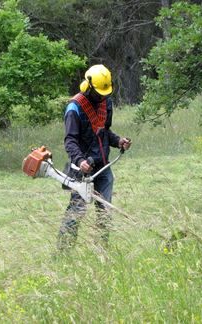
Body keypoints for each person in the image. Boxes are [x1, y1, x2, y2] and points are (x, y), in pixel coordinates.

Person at [57, 64, 131, 250]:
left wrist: (118, 141)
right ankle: (63, 254)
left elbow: (104, 132)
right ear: (88, 86)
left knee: (105, 212)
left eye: (105, 93)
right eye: (99, 93)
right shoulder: (74, 108)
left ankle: (102, 251)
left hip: (103, 168)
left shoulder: (107, 102)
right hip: (83, 170)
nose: (102, 97)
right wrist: (80, 161)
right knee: (76, 212)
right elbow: (70, 141)